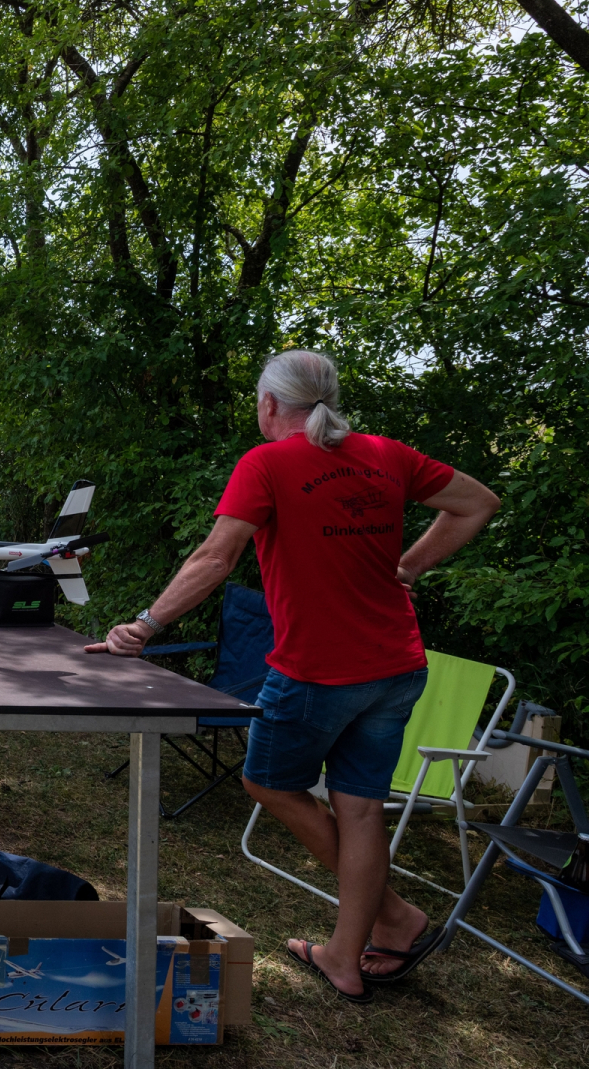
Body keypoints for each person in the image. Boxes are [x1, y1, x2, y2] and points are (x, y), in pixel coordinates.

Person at [84, 350, 500, 1003]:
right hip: (397, 665)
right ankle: (350, 953)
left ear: (270, 403)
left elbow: (214, 559)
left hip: (317, 672)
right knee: (361, 809)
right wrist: (408, 568)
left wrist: (144, 625)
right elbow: (477, 503)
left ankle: (392, 917)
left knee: (268, 782)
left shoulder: (268, 463)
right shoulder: (386, 455)